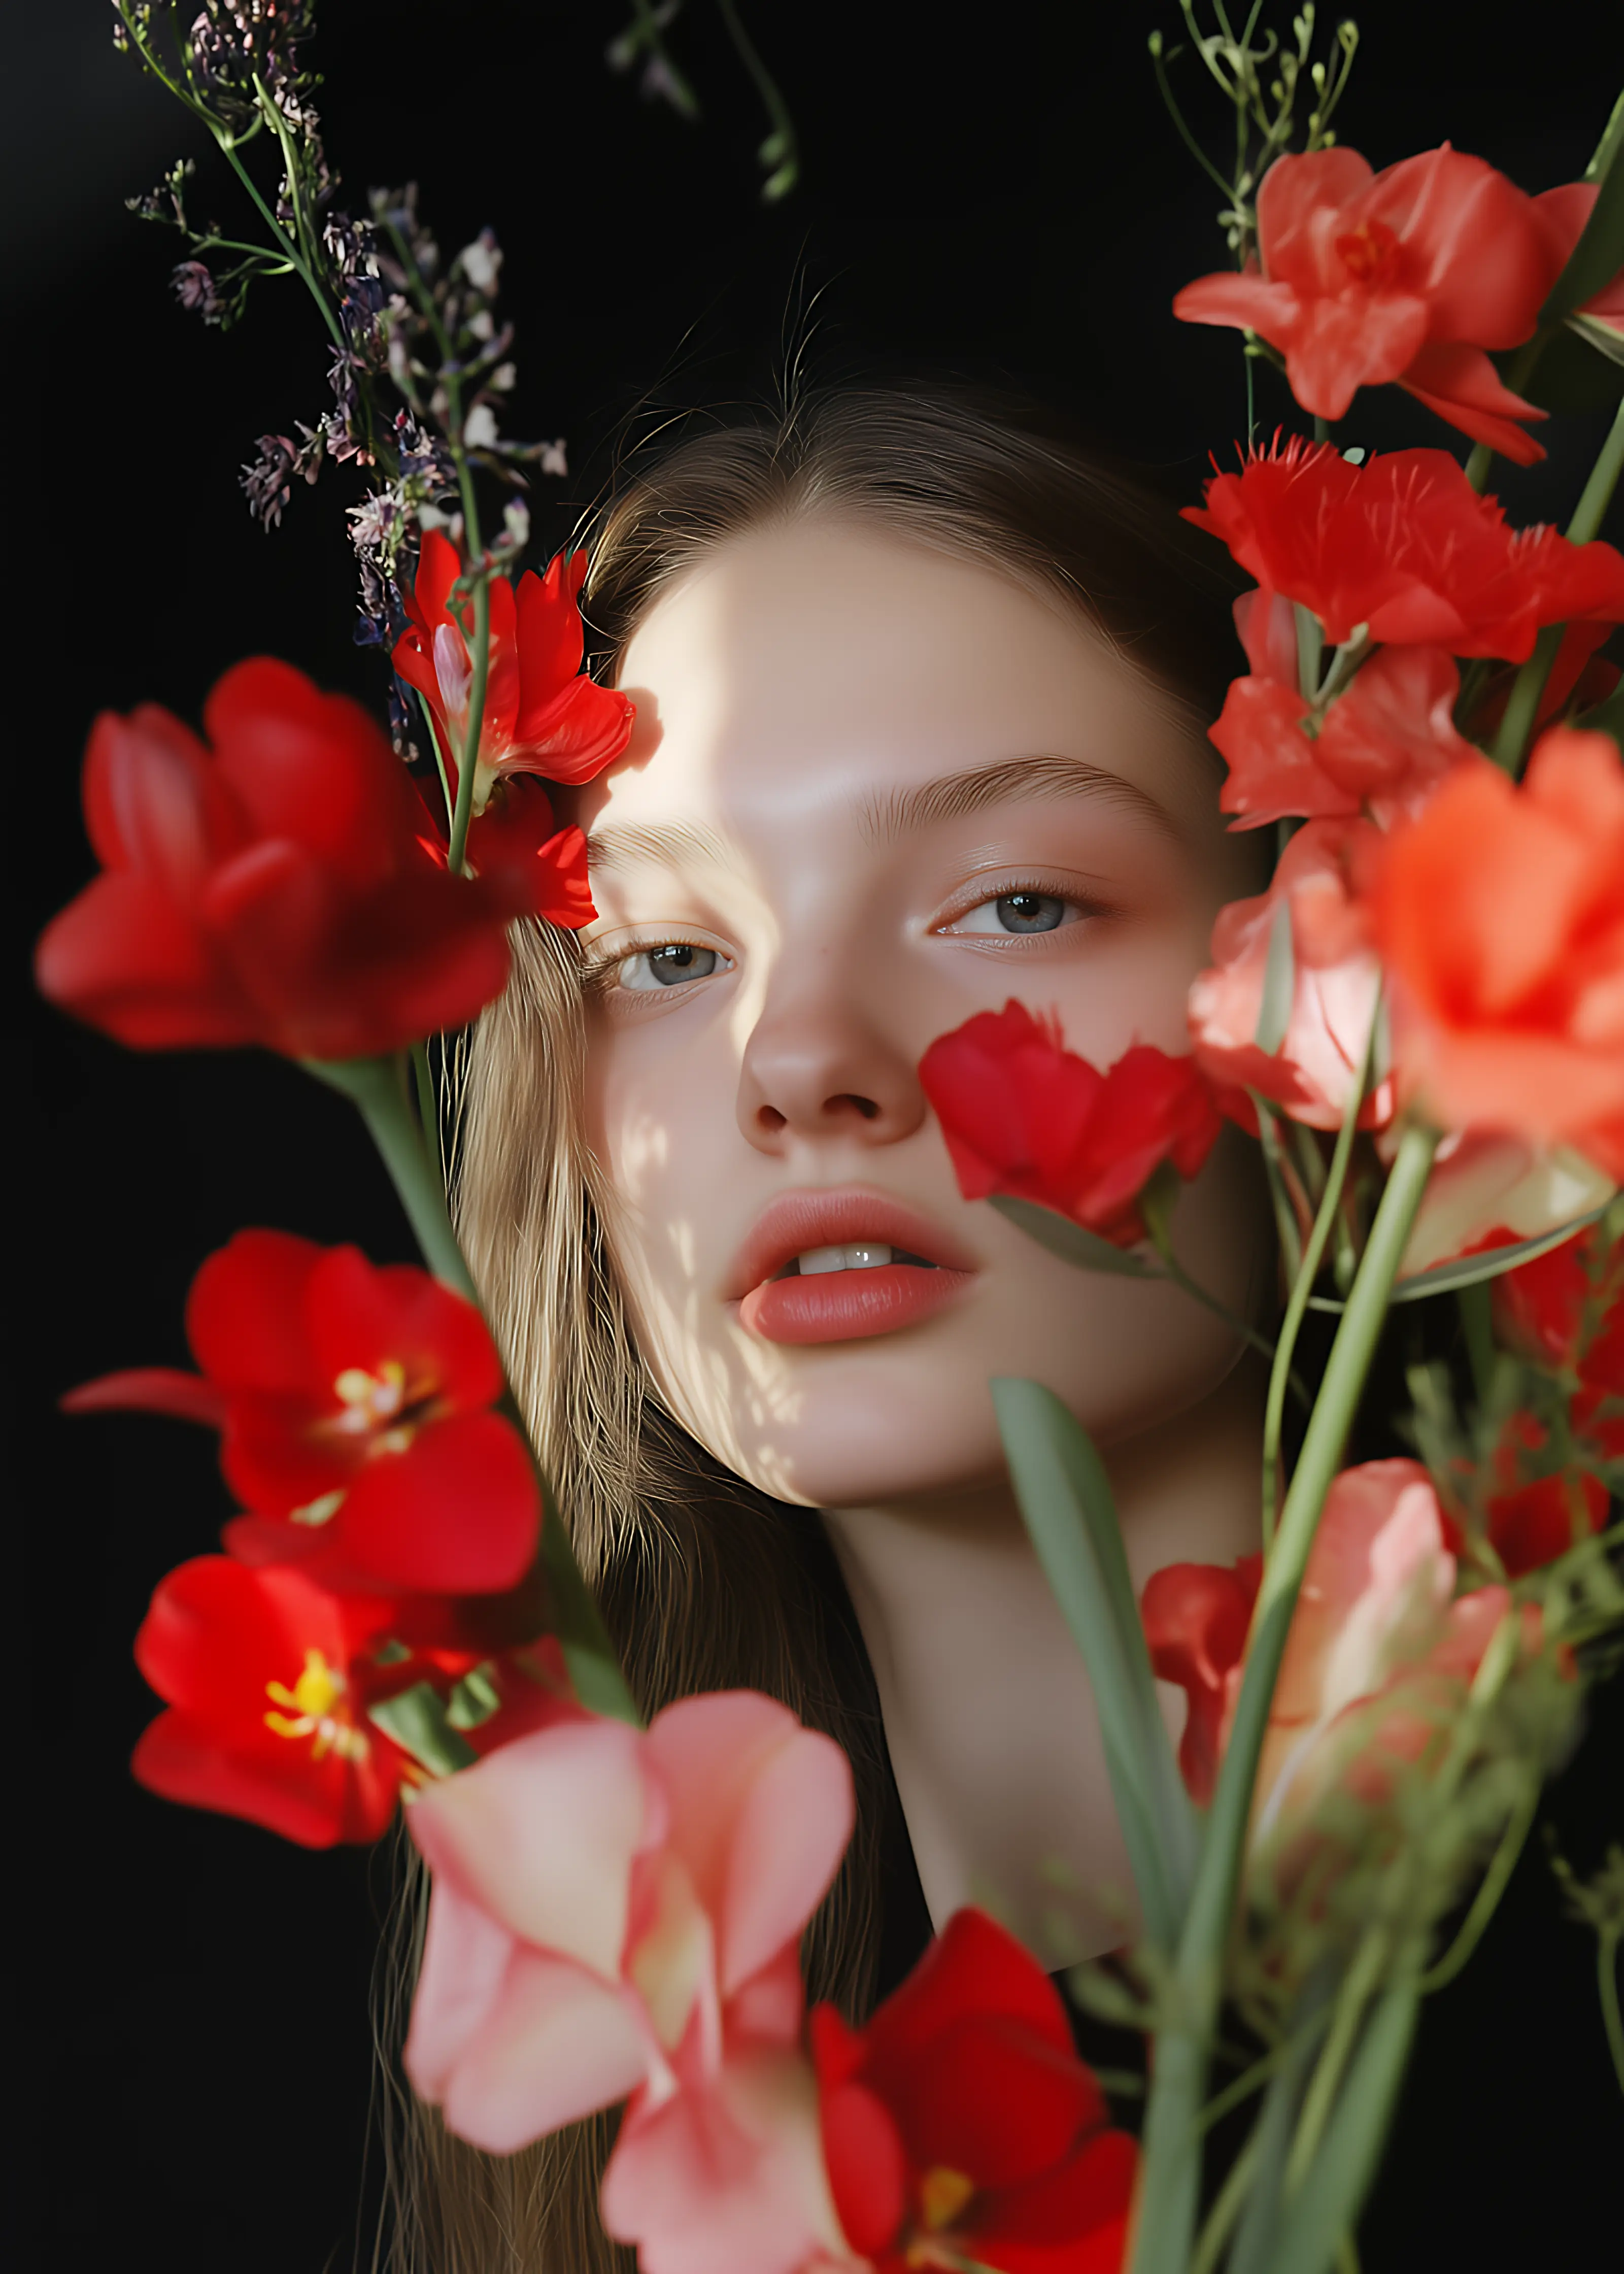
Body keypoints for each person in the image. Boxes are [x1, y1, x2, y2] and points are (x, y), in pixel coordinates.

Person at [382, 367, 1286, 2271]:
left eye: (1018, 902)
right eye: (672, 956)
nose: (799, 1061)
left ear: (1327, 970)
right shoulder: (637, 2167)